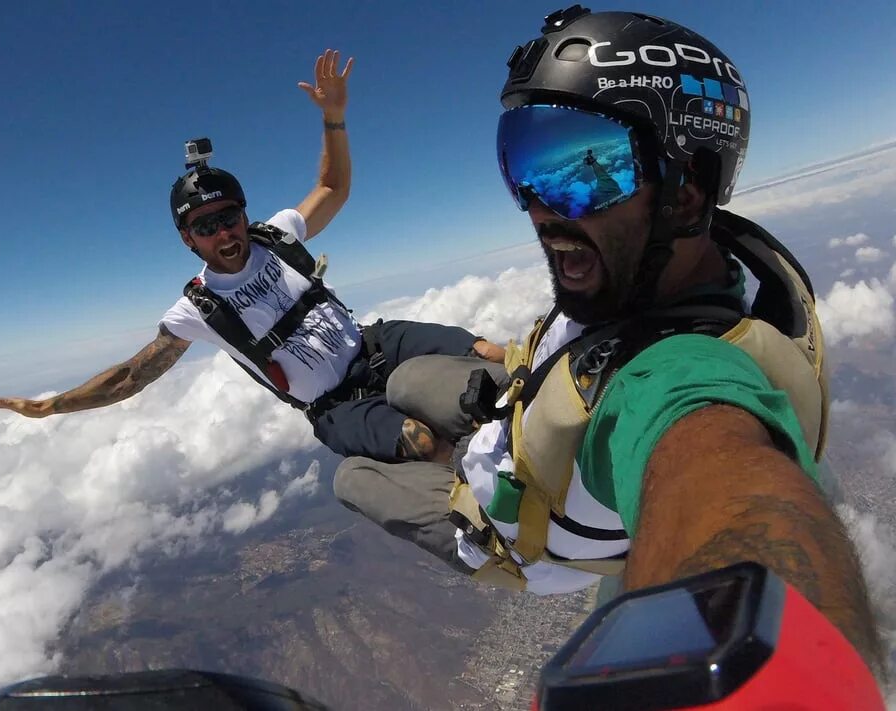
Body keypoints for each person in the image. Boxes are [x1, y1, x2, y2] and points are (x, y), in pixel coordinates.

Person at [332, 6, 883, 674]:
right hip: (524, 406)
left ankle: (446, 455)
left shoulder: (681, 372)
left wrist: (774, 678)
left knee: (353, 475)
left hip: (512, 526)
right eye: (524, 162)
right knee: (400, 381)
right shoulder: (676, 270)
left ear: (685, 195)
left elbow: (720, 471)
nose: (538, 205)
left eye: (590, 171)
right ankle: (452, 432)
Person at [0, 49, 505, 464]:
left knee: (489, 354)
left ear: (244, 215)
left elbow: (332, 187)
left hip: (376, 344)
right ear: (188, 240)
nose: (223, 233)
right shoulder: (199, 309)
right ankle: (494, 515)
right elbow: (129, 377)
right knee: (422, 442)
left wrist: (334, 119)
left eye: (229, 217)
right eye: (205, 227)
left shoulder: (276, 237)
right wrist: (50, 407)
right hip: (336, 406)